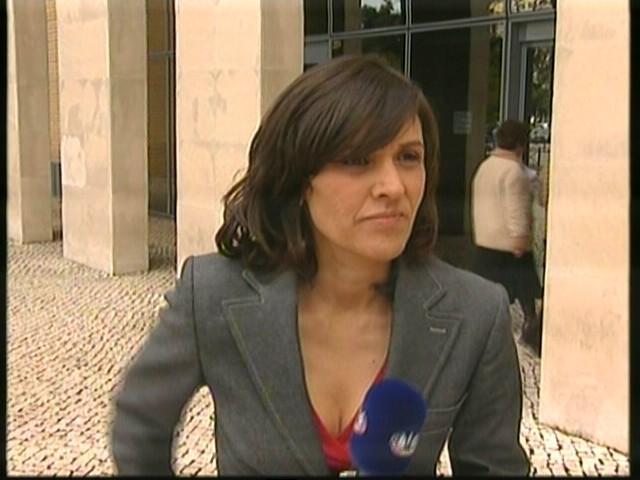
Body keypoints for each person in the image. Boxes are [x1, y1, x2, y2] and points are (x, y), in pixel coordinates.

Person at [110, 55, 530, 476]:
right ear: (299, 179)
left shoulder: (475, 312)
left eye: (408, 157)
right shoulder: (213, 293)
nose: (393, 187)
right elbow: (140, 424)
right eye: (357, 160)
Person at [470, 119, 543, 355]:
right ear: (521, 145)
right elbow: (517, 208)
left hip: (485, 240)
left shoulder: (485, 167)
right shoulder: (514, 172)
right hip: (508, 243)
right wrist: (521, 238)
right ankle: (531, 331)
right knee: (525, 288)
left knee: (489, 290)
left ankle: (483, 329)